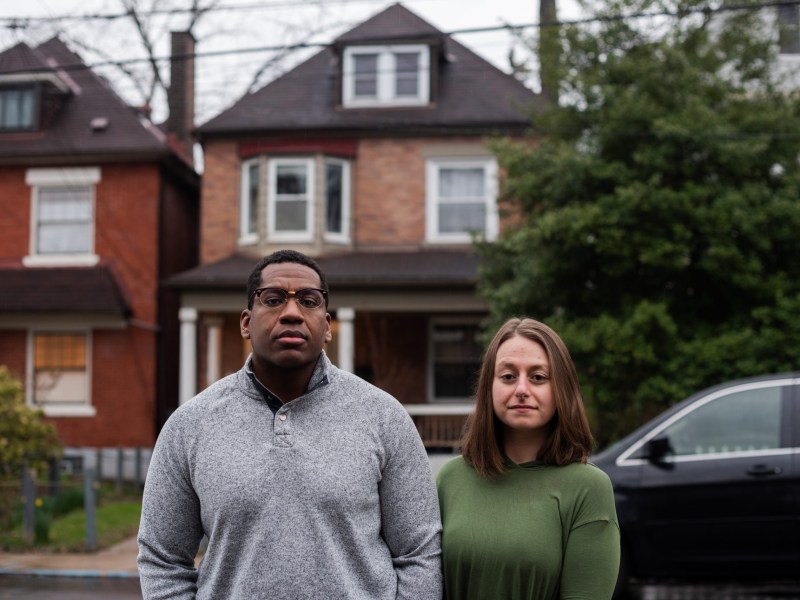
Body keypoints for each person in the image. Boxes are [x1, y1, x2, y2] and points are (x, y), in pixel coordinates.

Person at [137, 249, 442, 600]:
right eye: (274, 299)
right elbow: (163, 560)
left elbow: (419, 552)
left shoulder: (384, 418)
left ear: (327, 326)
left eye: (309, 301)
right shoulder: (189, 426)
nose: (292, 313)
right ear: (246, 322)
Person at [436, 317, 620, 599]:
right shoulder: (449, 480)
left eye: (538, 377)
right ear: (489, 387)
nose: (521, 389)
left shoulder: (588, 488)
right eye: (508, 376)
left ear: (562, 389)